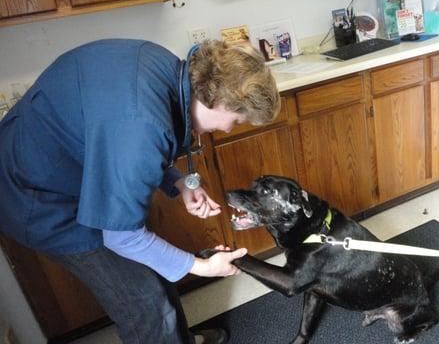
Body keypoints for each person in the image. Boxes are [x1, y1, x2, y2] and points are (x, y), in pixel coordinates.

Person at [0, 39, 280, 344]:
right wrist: (203, 267)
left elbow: (120, 141)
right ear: (222, 101)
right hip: (35, 195)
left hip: (61, 164)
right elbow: (122, 235)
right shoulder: (142, 123)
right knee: (145, 302)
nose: (228, 130)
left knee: (154, 264)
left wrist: (180, 183)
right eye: (237, 121)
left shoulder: (165, 65)